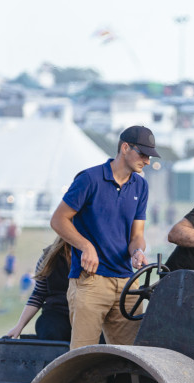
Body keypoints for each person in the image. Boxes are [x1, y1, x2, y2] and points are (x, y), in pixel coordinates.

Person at [51, 125, 155, 349]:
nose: (147, 161)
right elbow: (58, 220)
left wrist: (137, 251)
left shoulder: (141, 186)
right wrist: (85, 246)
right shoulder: (89, 179)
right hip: (90, 281)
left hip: (128, 283)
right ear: (125, 147)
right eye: (143, 154)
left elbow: (137, 235)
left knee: (133, 358)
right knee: (83, 358)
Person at [6, 239, 73, 341]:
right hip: (58, 313)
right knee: (50, 329)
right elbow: (39, 294)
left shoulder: (98, 253)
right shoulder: (48, 257)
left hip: (88, 313)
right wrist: (19, 326)